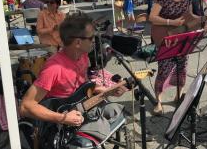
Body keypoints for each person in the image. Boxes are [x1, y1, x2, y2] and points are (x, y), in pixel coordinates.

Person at [20, 13, 127, 148]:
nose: (94, 40)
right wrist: (63, 118)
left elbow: (84, 87)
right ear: (78, 42)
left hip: (81, 109)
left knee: (117, 111)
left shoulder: (83, 57)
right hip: (59, 123)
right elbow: (25, 107)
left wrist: (107, 90)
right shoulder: (54, 68)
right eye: (91, 38)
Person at [149, 0, 207, 115]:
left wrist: (204, 19)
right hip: (165, 37)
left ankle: (178, 96)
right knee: (164, 71)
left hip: (182, 37)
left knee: (182, 68)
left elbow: (189, 17)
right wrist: (171, 22)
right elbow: (152, 17)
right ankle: (159, 102)